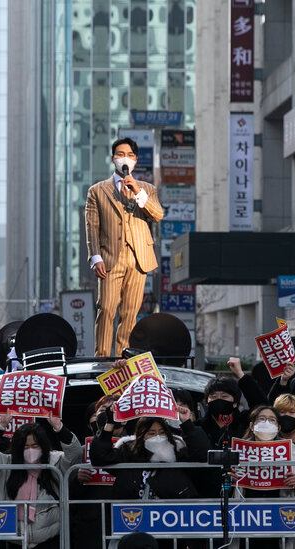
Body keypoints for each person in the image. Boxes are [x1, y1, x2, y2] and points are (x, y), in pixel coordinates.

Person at [85, 136, 164, 357]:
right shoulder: (97, 191)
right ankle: (101, 357)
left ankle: (123, 358)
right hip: (110, 258)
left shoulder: (147, 189)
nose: (124, 158)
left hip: (139, 258)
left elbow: (157, 215)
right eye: (120, 155)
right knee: (107, 308)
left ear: (136, 160)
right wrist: (95, 257)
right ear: (113, 159)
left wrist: (138, 191)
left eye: (129, 155)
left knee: (130, 312)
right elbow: (92, 226)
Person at [0, 414, 83, 549]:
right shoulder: (6, 463)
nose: (31, 450)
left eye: (35, 445)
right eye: (25, 447)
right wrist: (0, 426)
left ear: (43, 446)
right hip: (13, 538)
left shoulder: (54, 462)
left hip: (49, 538)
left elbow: (75, 453)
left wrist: (59, 428)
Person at [90, 409, 209, 500]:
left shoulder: (177, 451)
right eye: (151, 433)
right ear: (141, 436)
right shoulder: (128, 451)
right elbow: (100, 457)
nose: (157, 437)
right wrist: (109, 424)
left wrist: (187, 424)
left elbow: (201, 455)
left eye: (162, 432)